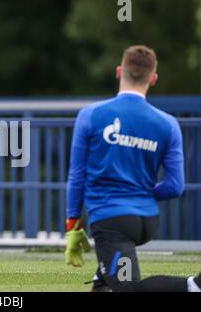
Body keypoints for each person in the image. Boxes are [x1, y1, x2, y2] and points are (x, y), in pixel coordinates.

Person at [64, 45, 201, 292]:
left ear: (119, 71)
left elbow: (77, 176)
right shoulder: (168, 124)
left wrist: (73, 225)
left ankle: (193, 286)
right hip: (147, 221)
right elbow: (175, 186)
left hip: (112, 222)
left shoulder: (91, 115)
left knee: (127, 288)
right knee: (105, 281)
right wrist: (142, 193)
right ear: (154, 78)